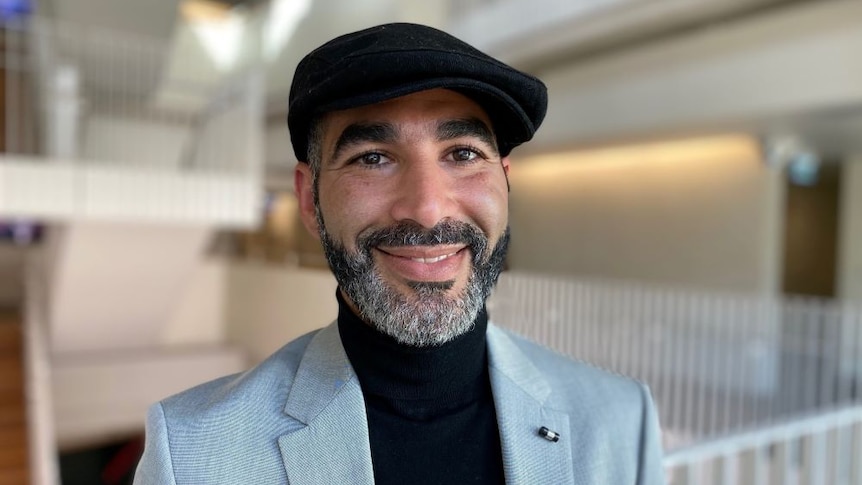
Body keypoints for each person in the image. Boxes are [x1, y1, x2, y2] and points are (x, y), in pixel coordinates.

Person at [133, 23, 665, 485]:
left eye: (463, 154)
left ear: (504, 184)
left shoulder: (620, 422)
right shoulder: (194, 453)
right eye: (373, 157)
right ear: (309, 199)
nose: (429, 210)